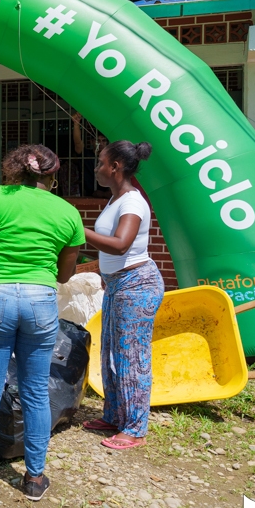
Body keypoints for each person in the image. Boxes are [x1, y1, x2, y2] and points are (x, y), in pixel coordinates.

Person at [0, 145, 84, 505]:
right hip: (40, 302)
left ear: (15, 170)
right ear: (52, 177)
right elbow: (66, 273)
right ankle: (34, 478)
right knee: (36, 392)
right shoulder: (68, 213)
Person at [80, 141, 163, 451]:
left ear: (115, 166)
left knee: (133, 358)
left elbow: (120, 244)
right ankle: (116, 415)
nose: (97, 167)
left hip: (137, 285)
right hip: (117, 285)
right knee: (111, 353)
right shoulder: (115, 200)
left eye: (100, 162)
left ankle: (135, 428)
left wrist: (78, 229)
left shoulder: (132, 202)